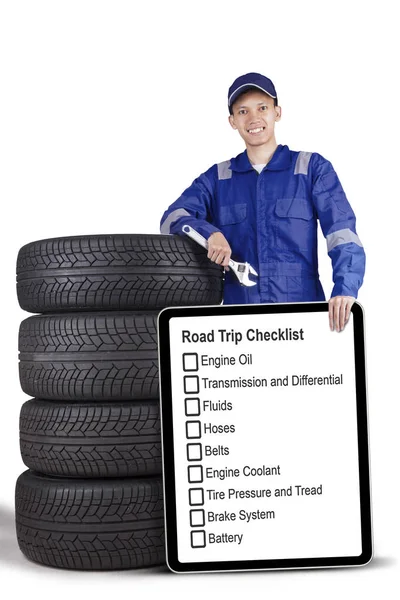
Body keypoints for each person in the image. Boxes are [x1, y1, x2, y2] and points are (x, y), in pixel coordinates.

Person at [160, 72, 365, 332]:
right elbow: (171, 219)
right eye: (243, 111)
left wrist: (345, 289)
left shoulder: (311, 169)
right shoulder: (219, 178)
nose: (254, 118)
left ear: (277, 112)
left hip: (301, 317)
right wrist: (210, 233)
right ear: (232, 121)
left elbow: (342, 232)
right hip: (240, 324)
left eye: (262, 108)